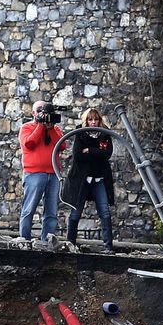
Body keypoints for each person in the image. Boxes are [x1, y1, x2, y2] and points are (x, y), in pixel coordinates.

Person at [62, 107, 116, 252]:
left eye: (95, 119)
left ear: (99, 120)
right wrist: (97, 153)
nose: (93, 122)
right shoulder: (80, 133)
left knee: (104, 211)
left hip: (99, 178)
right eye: (90, 119)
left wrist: (90, 150)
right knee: (75, 211)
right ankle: (70, 243)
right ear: (86, 120)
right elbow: (78, 155)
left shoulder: (105, 133)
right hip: (82, 179)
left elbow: (107, 154)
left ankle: (108, 246)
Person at [18, 99, 63, 244]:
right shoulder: (27, 127)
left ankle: (47, 241)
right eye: (39, 111)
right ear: (33, 113)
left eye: (44, 111)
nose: (42, 114)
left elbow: (62, 145)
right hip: (34, 173)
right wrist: (40, 126)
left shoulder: (54, 128)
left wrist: (49, 128)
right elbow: (30, 144)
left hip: (53, 173)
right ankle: (24, 240)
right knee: (29, 209)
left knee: (51, 211)